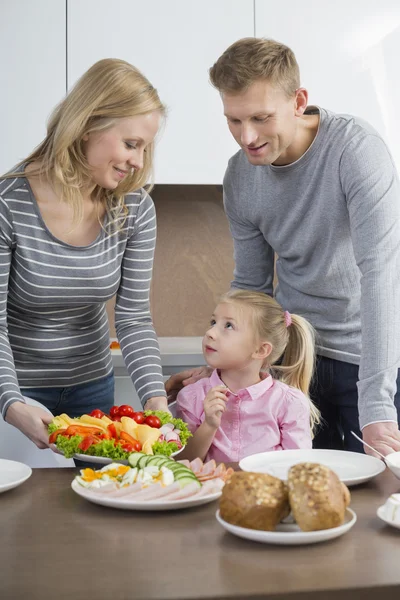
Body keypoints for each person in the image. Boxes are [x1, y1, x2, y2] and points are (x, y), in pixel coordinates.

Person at [208, 37, 400, 456]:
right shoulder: (240, 176)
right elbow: (252, 288)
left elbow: (381, 274)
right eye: (234, 120)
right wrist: (226, 364)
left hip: (367, 360)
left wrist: (377, 404)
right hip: (293, 361)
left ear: (298, 101)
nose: (247, 137)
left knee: (381, 497)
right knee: (294, 491)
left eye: (260, 117)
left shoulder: (355, 151)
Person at [0, 57, 184, 450]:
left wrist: (155, 398)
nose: (138, 161)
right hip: (17, 392)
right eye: (131, 144)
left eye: (145, 147)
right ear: (87, 126)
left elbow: (133, 318)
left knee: (90, 504)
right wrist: (12, 404)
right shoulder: (9, 205)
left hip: (92, 393)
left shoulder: (133, 208)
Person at [176, 289, 320, 462]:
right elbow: (183, 463)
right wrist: (209, 425)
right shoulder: (192, 397)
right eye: (213, 322)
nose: (210, 333)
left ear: (260, 350)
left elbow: (298, 467)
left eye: (228, 326)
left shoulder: (289, 403)